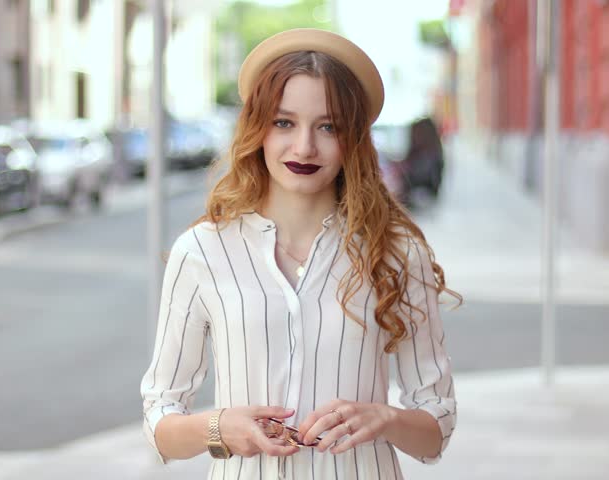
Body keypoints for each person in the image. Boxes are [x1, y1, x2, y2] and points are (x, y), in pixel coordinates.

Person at [141, 28, 460, 479]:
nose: (305, 147)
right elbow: (160, 419)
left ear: (353, 139)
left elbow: (437, 426)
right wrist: (220, 428)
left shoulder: (396, 253)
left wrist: (384, 419)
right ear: (258, 130)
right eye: (284, 122)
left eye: (328, 126)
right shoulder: (202, 251)